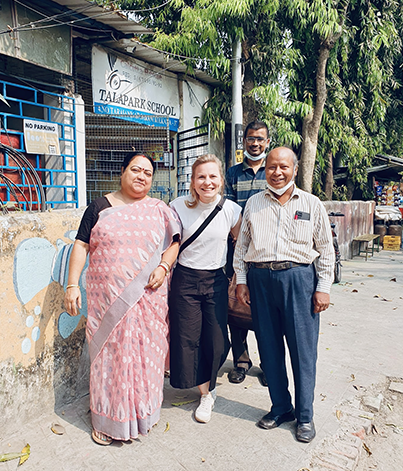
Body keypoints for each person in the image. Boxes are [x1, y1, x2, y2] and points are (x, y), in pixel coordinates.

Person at [64, 152, 180, 445]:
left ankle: (143, 413)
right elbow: (81, 245)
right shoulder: (100, 206)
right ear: (122, 171)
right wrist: (71, 285)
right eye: (136, 169)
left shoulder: (159, 210)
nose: (142, 176)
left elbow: (174, 242)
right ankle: (107, 421)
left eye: (148, 173)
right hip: (108, 303)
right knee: (109, 358)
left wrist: (164, 267)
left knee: (145, 358)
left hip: (149, 300)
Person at [234, 147, 335, 443]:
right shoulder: (253, 203)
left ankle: (305, 416)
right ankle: (280, 408)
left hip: (299, 280)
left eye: (283, 167)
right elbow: (242, 247)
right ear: (265, 169)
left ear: (294, 168)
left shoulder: (311, 203)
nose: (277, 172)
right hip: (260, 279)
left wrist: (323, 287)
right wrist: (241, 280)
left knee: (303, 351)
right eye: (271, 167)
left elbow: (326, 249)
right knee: (268, 348)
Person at [169, 154, 242, 423]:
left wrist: (239, 278)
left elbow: (238, 243)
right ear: (192, 181)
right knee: (187, 338)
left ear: (221, 180)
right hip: (185, 280)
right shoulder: (177, 206)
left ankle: (208, 383)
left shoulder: (232, 210)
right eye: (201, 177)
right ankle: (205, 393)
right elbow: (167, 243)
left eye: (213, 176)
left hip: (216, 281)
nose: (207, 182)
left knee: (215, 338)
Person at [225, 120, 269, 385]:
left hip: (266, 253)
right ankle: (241, 361)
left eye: (260, 139)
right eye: (250, 139)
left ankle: (268, 363)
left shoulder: (272, 170)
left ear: (267, 141)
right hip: (237, 249)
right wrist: (238, 241)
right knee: (236, 304)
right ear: (244, 142)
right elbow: (229, 212)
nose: (255, 143)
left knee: (265, 309)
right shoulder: (232, 173)